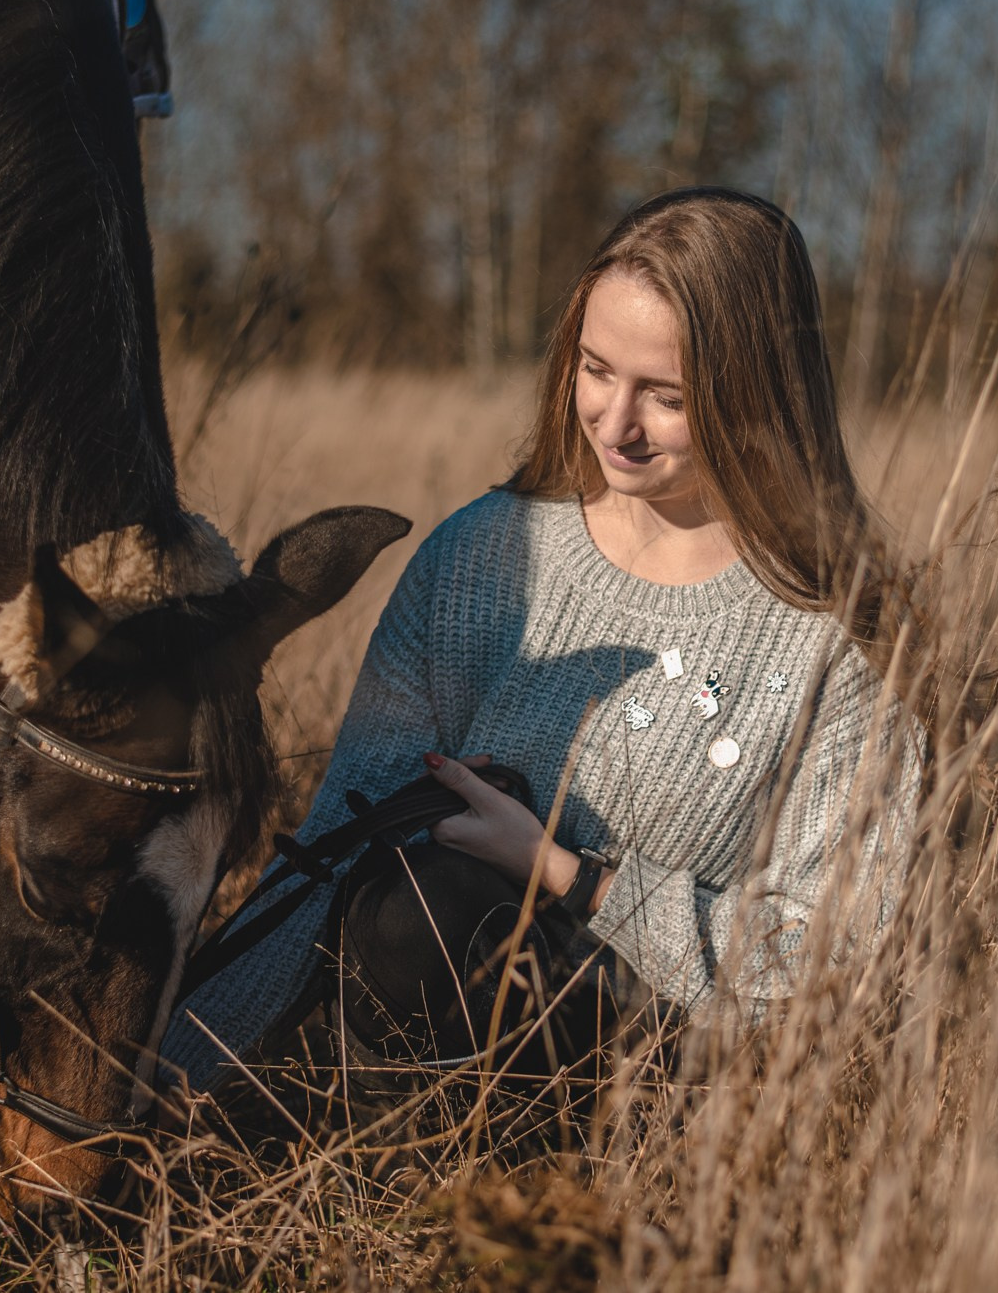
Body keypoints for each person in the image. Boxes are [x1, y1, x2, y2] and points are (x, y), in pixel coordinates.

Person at [161, 187, 923, 1101]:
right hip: (396, 1055)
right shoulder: (486, 557)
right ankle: (386, 1191)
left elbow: (823, 962)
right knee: (414, 905)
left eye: (667, 396)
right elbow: (336, 847)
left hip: (656, 1081)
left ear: (754, 393)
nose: (614, 422)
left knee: (433, 907)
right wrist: (165, 1083)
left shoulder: (832, 642)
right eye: (596, 369)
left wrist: (571, 876)